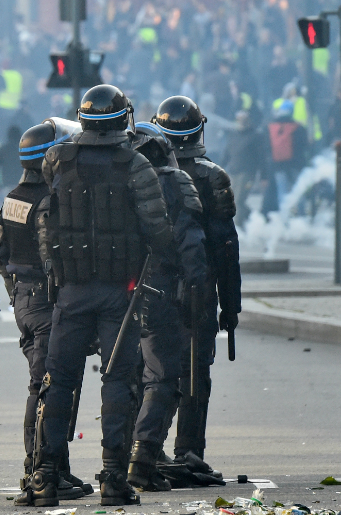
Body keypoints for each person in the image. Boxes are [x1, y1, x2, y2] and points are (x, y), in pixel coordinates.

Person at [17, 84, 174, 508]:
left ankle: (46, 475)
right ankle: (112, 478)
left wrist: (57, 271)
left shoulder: (56, 159)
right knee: (119, 380)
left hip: (70, 290)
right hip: (119, 291)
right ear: (123, 118)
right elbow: (158, 228)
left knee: (58, 381)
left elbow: (49, 216)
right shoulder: (137, 165)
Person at [0, 120, 89, 501]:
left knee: (48, 384)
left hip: (24, 298)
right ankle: (39, 470)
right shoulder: (52, 200)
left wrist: (19, 296)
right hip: (48, 299)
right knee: (49, 386)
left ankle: (55, 467)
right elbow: (56, 258)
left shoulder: (13, 197)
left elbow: (2, 256)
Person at [152, 95, 241, 471]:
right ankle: (189, 451)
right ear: (199, 129)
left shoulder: (144, 174)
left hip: (152, 287)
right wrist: (231, 305)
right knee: (195, 373)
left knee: (150, 371)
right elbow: (226, 247)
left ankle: (146, 448)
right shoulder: (212, 176)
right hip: (199, 290)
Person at [127, 123, 212, 492]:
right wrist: (198, 298)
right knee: (162, 377)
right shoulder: (176, 183)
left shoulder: (117, 181)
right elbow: (193, 247)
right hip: (161, 292)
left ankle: (121, 460)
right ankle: (143, 459)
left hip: (120, 296)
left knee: (126, 380)